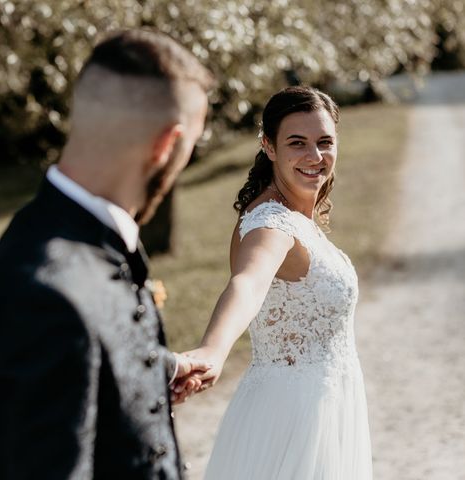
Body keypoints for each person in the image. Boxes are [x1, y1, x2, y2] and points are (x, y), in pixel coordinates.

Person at [0, 29, 215, 479]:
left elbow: (80, 357)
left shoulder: (71, 237)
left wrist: (161, 367)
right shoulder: (42, 292)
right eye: (189, 148)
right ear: (165, 146)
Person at [183, 86, 373, 478]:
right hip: (294, 417)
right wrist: (213, 350)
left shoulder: (292, 215)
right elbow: (247, 283)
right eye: (297, 143)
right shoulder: (271, 224)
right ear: (269, 146)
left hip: (323, 405)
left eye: (325, 142)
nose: (315, 157)